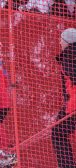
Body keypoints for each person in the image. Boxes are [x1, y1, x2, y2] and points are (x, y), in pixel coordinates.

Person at [52, 28, 76, 168]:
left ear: (67, 42)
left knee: (58, 133)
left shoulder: (69, 57)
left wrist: (70, 106)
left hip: (73, 106)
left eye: (61, 39)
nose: (59, 42)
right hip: (71, 104)